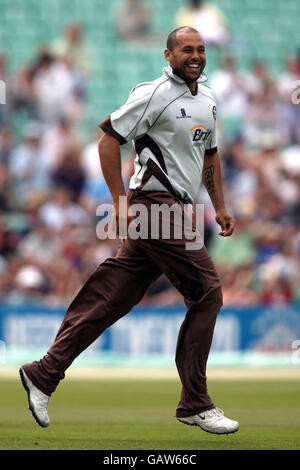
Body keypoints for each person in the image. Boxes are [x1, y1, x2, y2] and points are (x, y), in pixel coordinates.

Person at [19, 27, 239, 435]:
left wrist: (220, 206)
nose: (195, 55)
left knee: (110, 298)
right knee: (207, 291)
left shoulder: (206, 100)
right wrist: (119, 201)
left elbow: (210, 154)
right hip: (154, 205)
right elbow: (108, 139)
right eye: (186, 49)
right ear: (168, 55)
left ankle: (44, 373)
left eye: (201, 49)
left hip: (176, 210)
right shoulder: (154, 93)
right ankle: (195, 402)